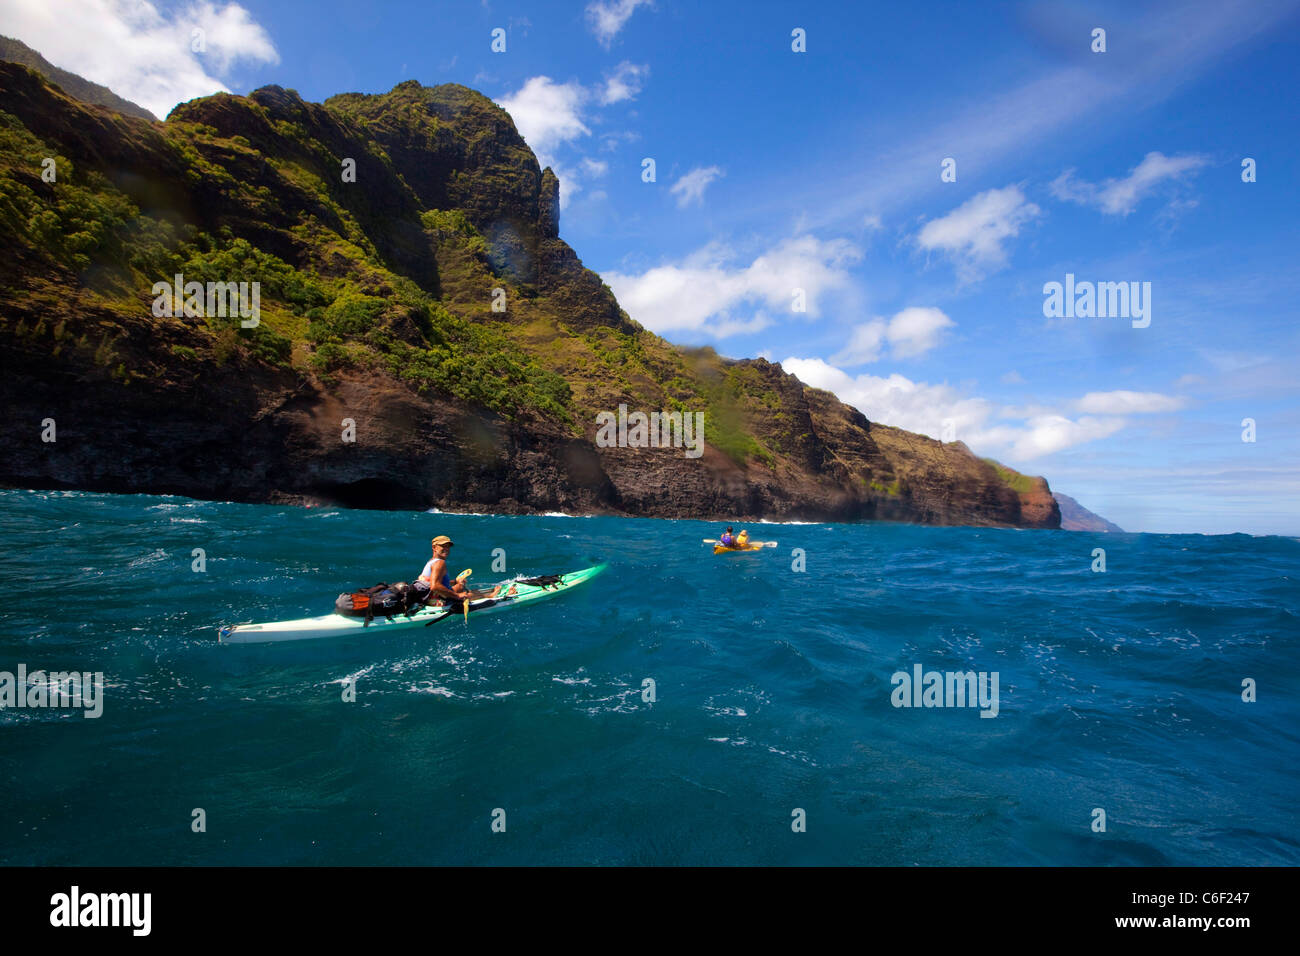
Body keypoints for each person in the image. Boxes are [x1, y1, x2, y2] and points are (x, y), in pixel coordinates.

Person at [418, 535, 512, 606]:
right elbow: (434, 586)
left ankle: (462, 588)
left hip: (428, 598)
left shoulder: (430, 562)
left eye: (448, 546)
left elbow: (430, 581)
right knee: (467, 595)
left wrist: (455, 582)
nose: (447, 549)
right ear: (434, 547)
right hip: (438, 601)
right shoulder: (440, 563)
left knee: (460, 586)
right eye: (443, 546)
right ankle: (491, 596)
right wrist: (457, 596)